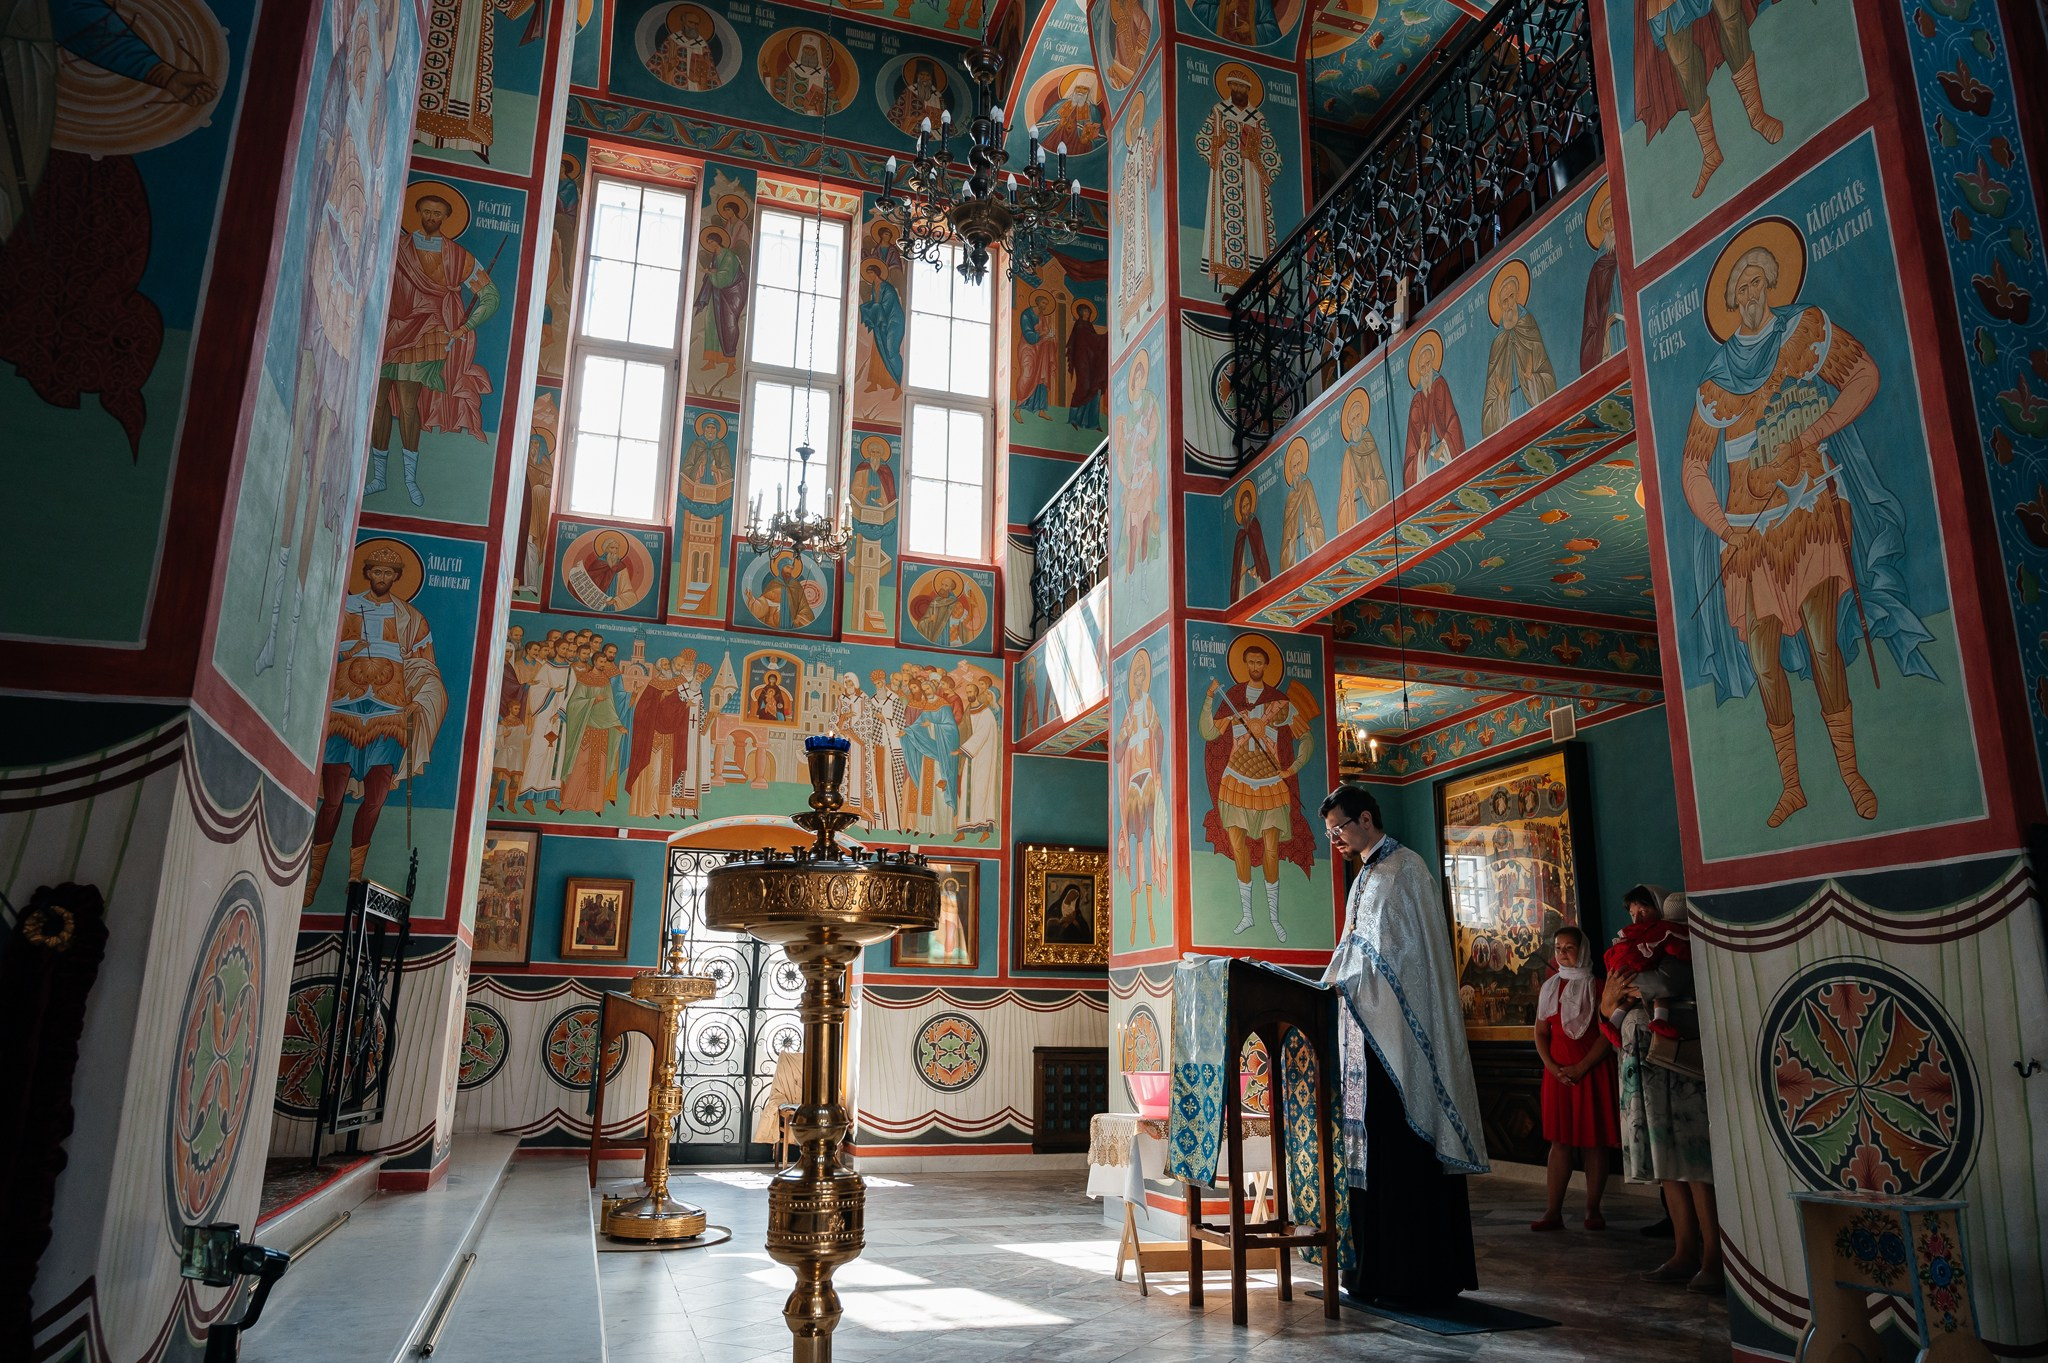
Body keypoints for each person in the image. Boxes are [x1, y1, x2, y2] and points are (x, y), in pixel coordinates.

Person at [1320, 784, 1488, 1305]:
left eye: (1339, 829)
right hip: (1367, 1044)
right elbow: (1358, 950)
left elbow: (1403, 962)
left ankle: (1413, 1275)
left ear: (1366, 819)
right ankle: (1374, 1271)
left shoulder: (1404, 870)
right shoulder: (1366, 875)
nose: (1336, 841)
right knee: (1374, 1154)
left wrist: (1344, 979)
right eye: (1330, 834)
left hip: (1402, 1046)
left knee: (1401, 1154)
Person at [1601, 889, 1723, 1295]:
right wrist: (1614, 996)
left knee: (1694, 1161)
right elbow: (1608, 1002)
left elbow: (1668, 979)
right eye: (1632, 908)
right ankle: (1683, 1251)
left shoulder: (1679, 941)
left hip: (1677, 1062)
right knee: (1666, 1160)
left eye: (1644, 906)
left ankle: (1714, 1257)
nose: (1637, 914)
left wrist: (1625, 987)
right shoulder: (1631, 945)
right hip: (1639, 1061)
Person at [1531, 925, 1619, 1232]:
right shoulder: (1549, 988)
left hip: (1591, 1072)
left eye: (1569, 948)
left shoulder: (1599, 986)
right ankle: (1553, 1210)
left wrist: (1581, 1067)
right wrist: (1553, 1067)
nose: (1563, 954)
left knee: (1594, 1144)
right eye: (1558, 948)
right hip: (1558, 1076)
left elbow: (1607, 1036)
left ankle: (1592, 1210)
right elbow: (1541, 1033)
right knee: (1560, 1143)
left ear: (1582, 950)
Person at [1605, 885, 1692, 1038]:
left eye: (1643, 912)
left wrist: (1627, 986)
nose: (1637, 920)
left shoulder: (1666, 936)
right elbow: (1607, 1002)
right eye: (1633, 914)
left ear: (1659, 909)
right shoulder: (1636, 938)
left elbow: (1663, 984)